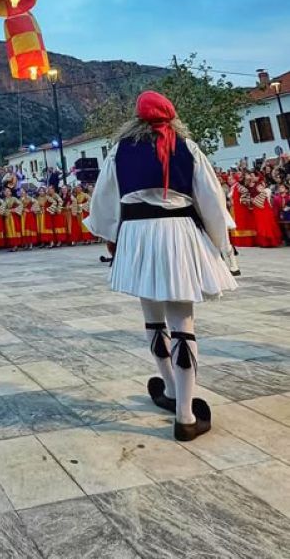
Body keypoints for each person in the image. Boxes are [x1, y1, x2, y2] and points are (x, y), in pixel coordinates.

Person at [86, 91, 237, 443]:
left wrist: (112, 235)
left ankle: (169, 388)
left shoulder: (120, 149)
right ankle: (185, 414)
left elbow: (104, 201)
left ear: (137, 118)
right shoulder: (187, 147)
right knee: (182, 323)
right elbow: (211, 200)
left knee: (152, 318)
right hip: (177, 233)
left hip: (137, 235)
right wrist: (221, 246)